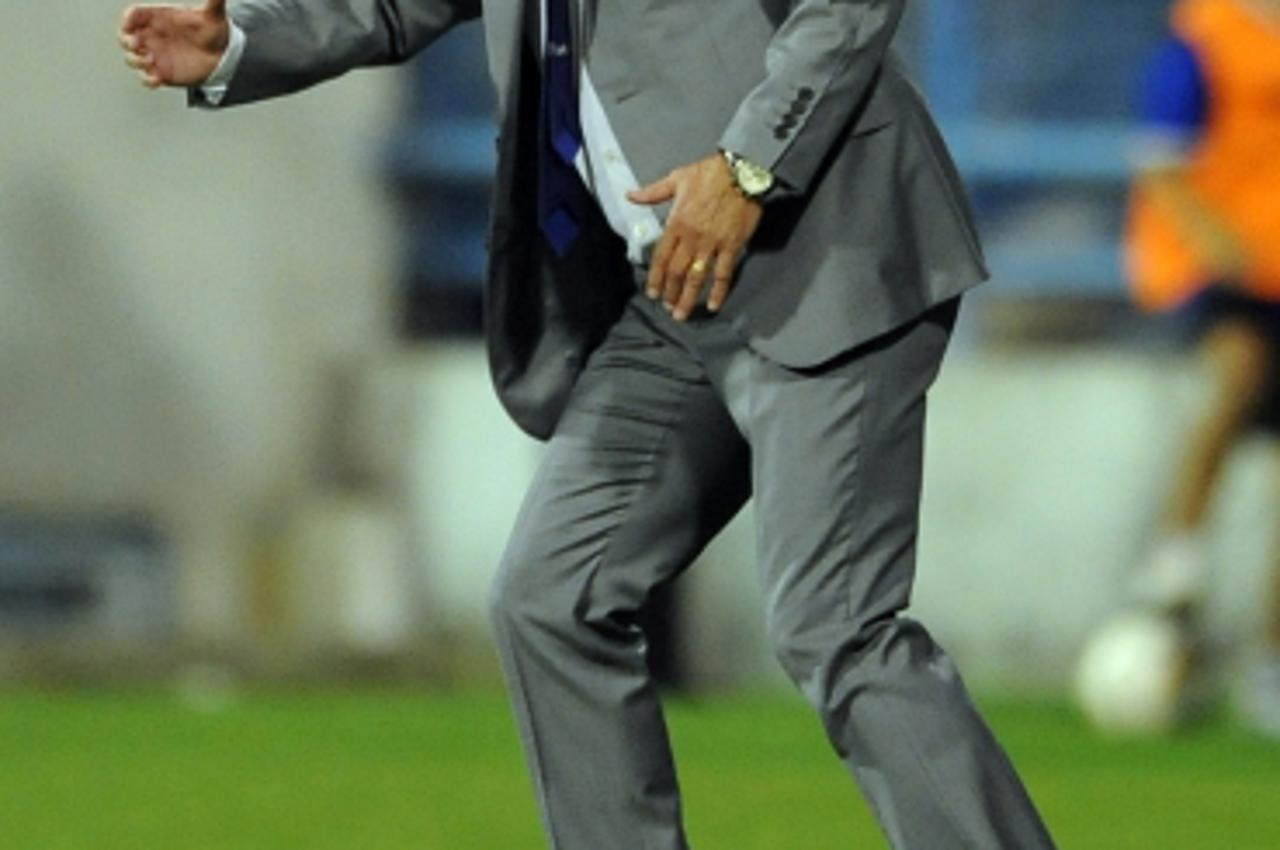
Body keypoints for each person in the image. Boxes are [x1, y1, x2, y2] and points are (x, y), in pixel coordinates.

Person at [118, 1, 1058, 846]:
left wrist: (748, 165)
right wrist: (239, 41)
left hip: (827, 255)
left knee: (835, 630)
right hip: (675, 296)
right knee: (549, 598)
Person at [1125, 0, 1280, 738]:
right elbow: (1161, 164)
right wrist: (1214, 241)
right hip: (1221, 272)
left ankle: (1269, 662)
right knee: (1236, 375)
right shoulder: (1205, 41)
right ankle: (1173, 569)